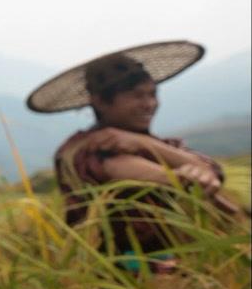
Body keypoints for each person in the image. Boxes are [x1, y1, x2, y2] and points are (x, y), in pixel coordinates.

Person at [26, 41, 232, 271]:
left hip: (181, 271)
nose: (149, 104)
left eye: (152, 94)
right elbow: (122, 168)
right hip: (122, 279)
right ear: (100, 101)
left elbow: (213, 171)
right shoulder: (87, 148)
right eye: (137, 96)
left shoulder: (152, 142)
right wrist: (178, 175)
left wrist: (144, 143)